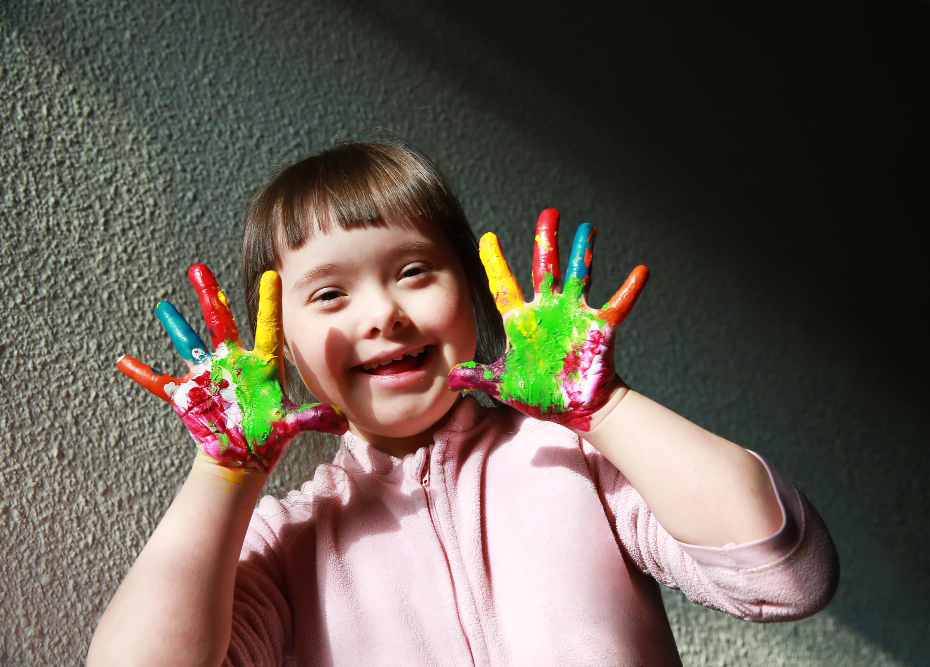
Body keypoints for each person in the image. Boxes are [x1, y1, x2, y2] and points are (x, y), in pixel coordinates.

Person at [87, 140, 839, 666]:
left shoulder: (574, 462)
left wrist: (604, 408)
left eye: (414, 270)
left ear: (475, 293)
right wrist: (223, 474)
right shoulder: (291, 543)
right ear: (278, 345)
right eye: (330, 293)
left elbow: (786, 575)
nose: (383, 313)